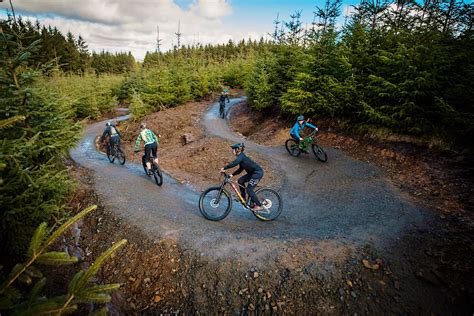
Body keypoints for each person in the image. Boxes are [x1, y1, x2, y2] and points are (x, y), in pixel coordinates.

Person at [220, 143, 264, 211]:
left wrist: (225, 168)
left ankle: (259, 205)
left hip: (257, 173)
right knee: (240, 181)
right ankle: (243, 198)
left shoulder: (241, 157)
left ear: (237, 149)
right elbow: (240, 169)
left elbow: (234, 163)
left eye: (233, 149)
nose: (232, 151)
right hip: (252, 173)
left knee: (249, 189)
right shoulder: (241, 158)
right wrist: (232, 175)